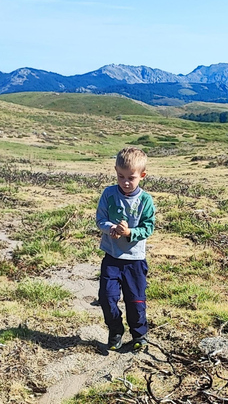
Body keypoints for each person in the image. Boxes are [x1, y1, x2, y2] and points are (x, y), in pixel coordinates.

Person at [96, 147, 156, 351]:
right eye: (121, 177)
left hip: (135, 261)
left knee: (136, 300)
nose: (126, 182)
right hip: (111, 258)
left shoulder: (145, 200)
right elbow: (100, 219)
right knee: (106, 297)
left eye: (131, 177)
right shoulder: (109, 193)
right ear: (115, 171)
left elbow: (149, 227)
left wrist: (129, 232)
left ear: (142, 175)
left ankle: (139, 334)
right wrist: (111, 228)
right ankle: (115, 331)